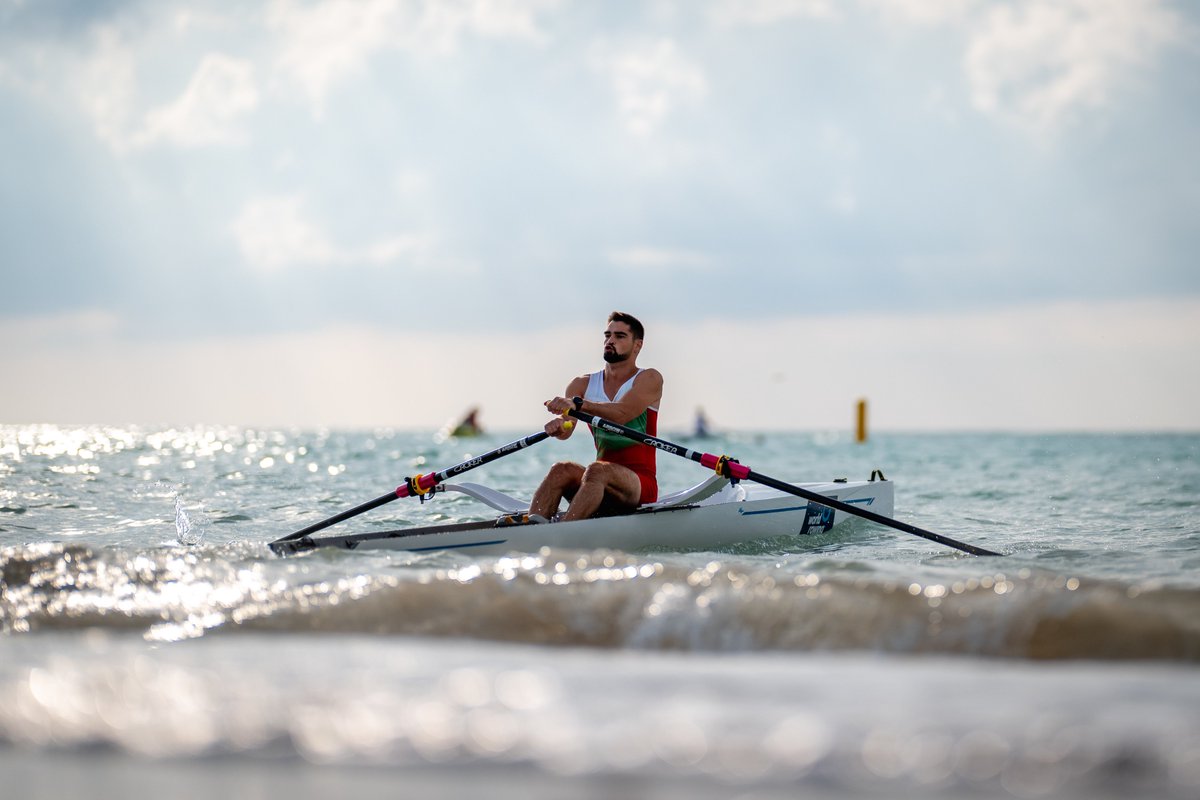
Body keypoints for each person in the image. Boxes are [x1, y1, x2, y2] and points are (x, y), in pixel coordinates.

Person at [529, 311, 662, 522]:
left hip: (639, 484)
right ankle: (531, 529)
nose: (610, 340)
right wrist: (559, 426)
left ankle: (563, 533)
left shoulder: (649, 378)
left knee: (597, 470)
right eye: (607, 335)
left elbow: (622, 413)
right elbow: (567, 428)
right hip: (598, 481)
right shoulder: (580, 384)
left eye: (619, 336)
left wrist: (579, 405)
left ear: (637, 346)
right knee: (560, 470)